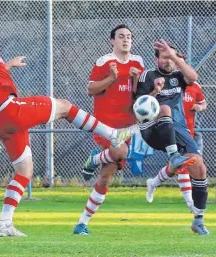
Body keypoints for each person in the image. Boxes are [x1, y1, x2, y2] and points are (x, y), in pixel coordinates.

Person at [0, 13, 138, 237]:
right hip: (11, 110)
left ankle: (5, 223)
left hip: (1, 121)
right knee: (64, 106)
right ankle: (112, 135)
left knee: (24, 170)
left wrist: (9, 64)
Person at [73, 25, 144, 235]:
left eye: (129, 36)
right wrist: (111, 78)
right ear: (112, 40)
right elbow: (90, 89)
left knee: (106, 176)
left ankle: (82, 223)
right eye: (121, 36)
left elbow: (136, 93)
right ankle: (95, 158)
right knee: (121, 152)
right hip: (105, 124)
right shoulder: (104, 62)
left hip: (127, 124)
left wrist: (136, 79)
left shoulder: (138, 62)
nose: (126, 40)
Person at [136, 41, 210, 235]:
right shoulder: (148, 76)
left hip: (179, 129)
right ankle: (173, 155)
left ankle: (198, 220)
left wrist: (174, 56)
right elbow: (139, 107)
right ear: (156, 59)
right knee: (165, 108)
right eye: (164, 57)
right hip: (152, 128)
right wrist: (155, 92)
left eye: (171, 57)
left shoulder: (179, 76)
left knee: (200, 168)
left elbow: (193, 77)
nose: (168, 61)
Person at [183, 81, 207, 152]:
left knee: (196, 156)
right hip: (177, 126)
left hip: (192, 126)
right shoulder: (173, 83)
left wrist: (200, 107)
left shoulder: (195, 85)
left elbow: (203, 104)